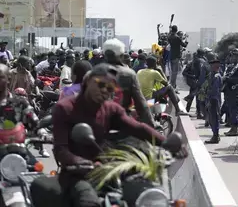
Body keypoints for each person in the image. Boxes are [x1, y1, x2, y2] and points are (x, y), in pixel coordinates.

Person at [34, 64, 183, 207]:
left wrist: (165, 142)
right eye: (100, 84)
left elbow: (138, 128)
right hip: (78, 173)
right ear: (87, 81)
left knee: (148, 195)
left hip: (108, 169)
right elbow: (61, 149)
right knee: (88, 201)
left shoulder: (110, 108)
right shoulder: (65, 108)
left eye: (110, 87)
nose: (105, 90)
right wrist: (79, 162)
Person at [102, 39, 155, 127]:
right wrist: (152, 125)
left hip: (99, 125)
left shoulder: (92, 73)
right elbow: (141, 104)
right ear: (121, 56)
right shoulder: (128, 74)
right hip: (122, 124)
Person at [223, 49, 238, 137]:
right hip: (229, 92)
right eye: (232, 56)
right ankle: (232, 128)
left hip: (236, 92)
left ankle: (235, 129)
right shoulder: (230, 67)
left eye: (234, 56)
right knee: (231, 111)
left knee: (235, 111)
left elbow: (237, 80)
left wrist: (227, 79)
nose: (232, 58)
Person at [204, 57, 222, 144]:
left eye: (212, 65)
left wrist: (209, 101)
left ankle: (215, 136)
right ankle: (215, 135)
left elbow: (214, 90)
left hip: (214, 100)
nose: (210, 67)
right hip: (212, 99)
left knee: (214, 118)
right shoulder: (212, 75)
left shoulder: (216, 76)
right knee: (212, 118)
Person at [168, 25, 188, 90]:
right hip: (176, 56)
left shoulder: (169, 37)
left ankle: (172, 85)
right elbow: (184, 45)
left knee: (172, 72)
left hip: (171, 56)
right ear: (176, 30)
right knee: (175, 72)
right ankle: (172, 86)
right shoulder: (177, 37)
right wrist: (186, 41)